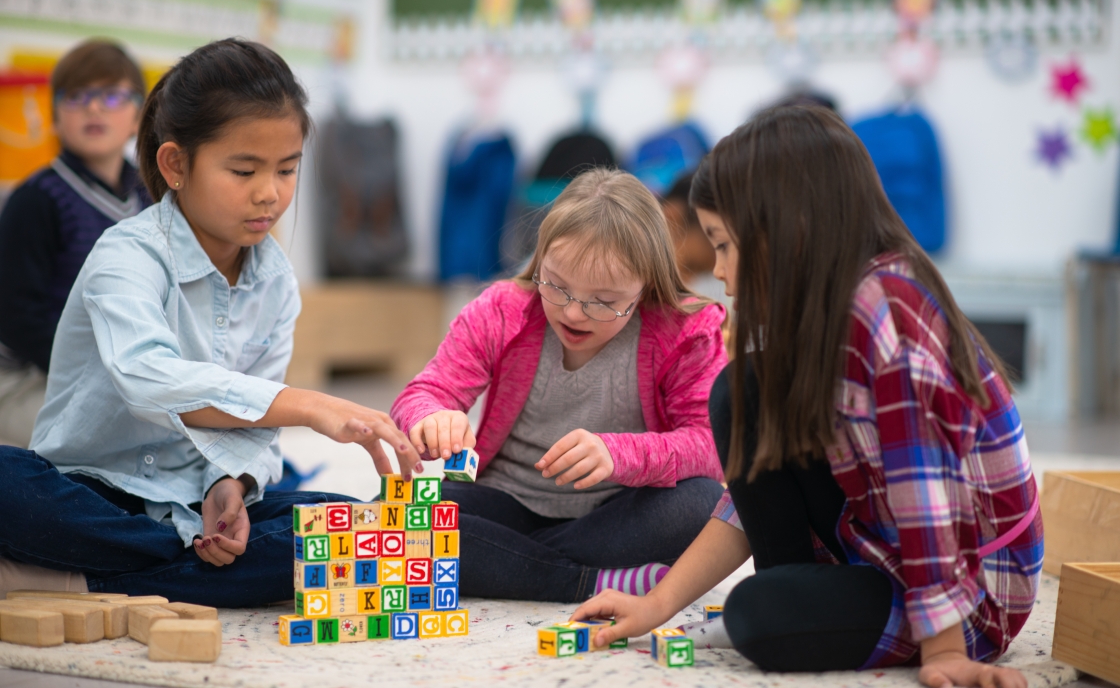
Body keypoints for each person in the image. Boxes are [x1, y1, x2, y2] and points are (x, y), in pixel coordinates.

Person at [573, 106, 1042, 688]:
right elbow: (751, 489)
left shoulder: (886, 309)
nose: (717, 269)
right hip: (889, 548)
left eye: (723, 245)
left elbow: (925, 489)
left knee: (756, 614)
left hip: (971, 597)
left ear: (785, 231)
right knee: (744, 388)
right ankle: (801, 594)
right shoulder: (832, 307)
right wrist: (657, 603)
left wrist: (945, 652)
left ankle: (805, 604)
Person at [0, 38, 420, 607]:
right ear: (176, 164)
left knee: (353, 524)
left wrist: (231, 485)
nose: (269, 193)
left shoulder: (276, 283)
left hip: (191, 505)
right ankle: (154, 563)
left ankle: (78, 578)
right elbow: (149, 379)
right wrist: (309, 405)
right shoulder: (126, 253)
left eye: (287, 169)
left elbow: (250, 435)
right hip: (87, 495)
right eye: (244, 170)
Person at [391, 168, 727, 602]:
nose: (573, 313)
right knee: (400, 520)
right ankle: (585, 580)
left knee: (699, 505)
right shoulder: (502, 308)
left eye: (603, 302)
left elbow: (711, 446)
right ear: (540, 261)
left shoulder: (686, 329)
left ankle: (509, 564)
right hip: (506, 501)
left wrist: (618, 454)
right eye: (556, 286)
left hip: (617, 511)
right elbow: (423, 392)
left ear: (646, 286)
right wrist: (432, 417)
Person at [0, 39, 152, 447]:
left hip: (126, 372)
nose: (94, 107)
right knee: (111, 446)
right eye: (77, 96)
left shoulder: (151, 195)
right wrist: (100, 380)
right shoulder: (36, 199)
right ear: (53, 118)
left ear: (139, 116)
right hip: (30, 379)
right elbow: (18, 319)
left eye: (112, 95)